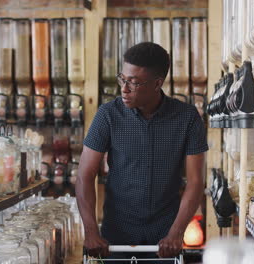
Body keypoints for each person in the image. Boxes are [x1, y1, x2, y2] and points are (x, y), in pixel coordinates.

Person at [76, 42, 208, 262]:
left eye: (134, 83)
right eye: (123, 79)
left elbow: (196, 181)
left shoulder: (187, 118)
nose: (124, 89)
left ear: (158, 83)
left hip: (165, 238)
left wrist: (176, 233)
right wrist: (91, 231)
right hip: (116, 237)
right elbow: (85, 175)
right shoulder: (108, 115)